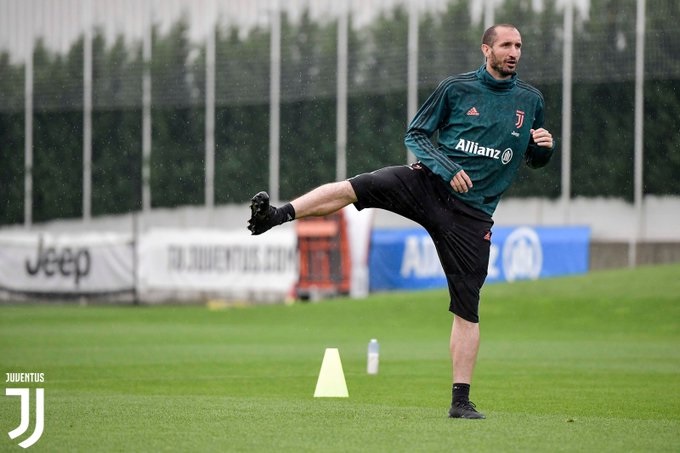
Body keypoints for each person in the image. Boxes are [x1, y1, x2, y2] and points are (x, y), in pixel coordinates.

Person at [247, 24, 555, 419]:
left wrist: (544, 149)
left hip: (473, 214)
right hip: (427, 185)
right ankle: (276, 215)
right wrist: (446, 167)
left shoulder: (530, 100)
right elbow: (417, 134)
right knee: (357, 186)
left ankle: (460, 402)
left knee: (467, 309)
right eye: (506, 45)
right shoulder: (455, 89)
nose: (514, 52)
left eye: (519, 46)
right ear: (486, 49)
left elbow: (532, 155)